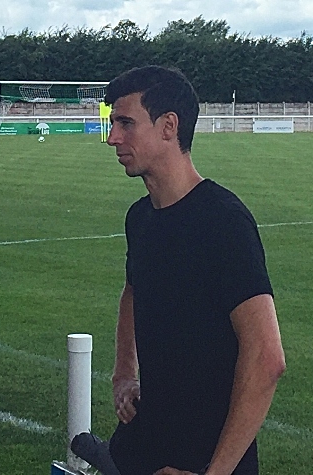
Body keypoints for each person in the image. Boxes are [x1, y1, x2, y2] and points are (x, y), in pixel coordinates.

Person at [73, 66, 286, 475]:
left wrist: (216, 471)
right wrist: (123, 374)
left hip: (206, 456)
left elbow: (266, 357)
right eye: (112, 122)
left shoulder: (222, 221)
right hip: (145, 441)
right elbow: (133, 291)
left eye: (126, 123)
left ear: (169, 126)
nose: (112, 137)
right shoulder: (141, 217)